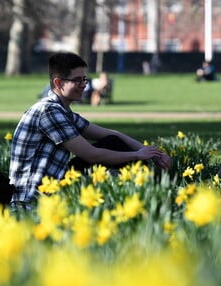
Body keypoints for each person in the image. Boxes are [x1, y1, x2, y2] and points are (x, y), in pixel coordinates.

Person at [9, 52, 172, 211]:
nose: (84, 85)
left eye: (84, 79)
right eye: (77, 80)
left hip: (53, 186)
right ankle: (154, 198)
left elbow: (112, 135)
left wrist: (154, 154)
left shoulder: (63, 112)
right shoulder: (49, 112)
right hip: (34, 200)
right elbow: (91, 155)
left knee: (113, 143)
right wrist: (137, 155)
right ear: (58, 83)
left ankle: (151, 193)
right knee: (118, 153)